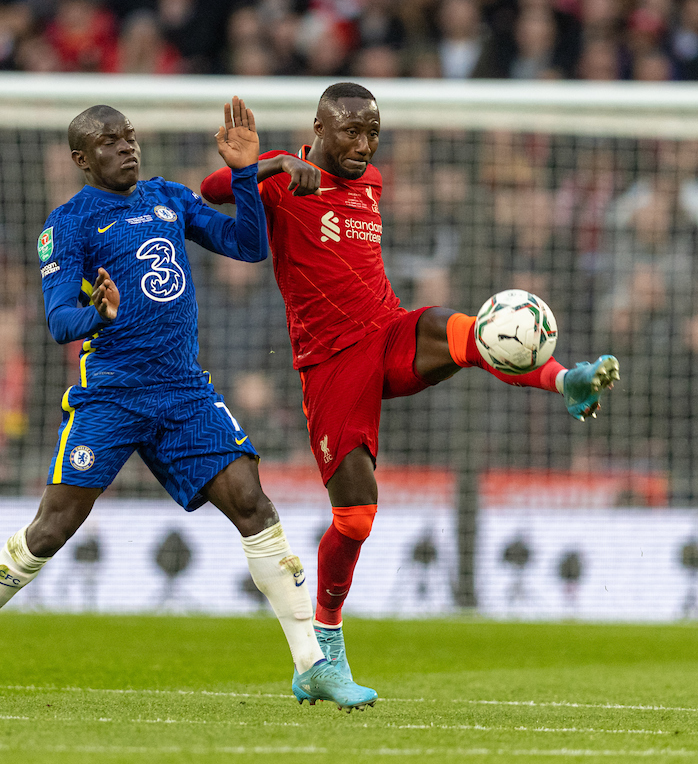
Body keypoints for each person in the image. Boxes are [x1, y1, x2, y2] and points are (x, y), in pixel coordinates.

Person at [0, 98, 378, 711]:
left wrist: (246, 173)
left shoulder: (168, 196)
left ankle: (311, 665)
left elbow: (247, 245)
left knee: (254, 505)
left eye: (130, 136)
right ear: (82, 159)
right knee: (54, 527)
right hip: (112, 393)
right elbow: (57, 320)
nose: (127, 146)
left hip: (184, 391)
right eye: (110, 141)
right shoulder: (69, 224)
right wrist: (96, 314)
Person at [200, 82, 619, 693]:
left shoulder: (368, 183)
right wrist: (265, 164)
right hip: (332, 364)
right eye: (350, 131)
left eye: (372, 132)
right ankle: (326, 646)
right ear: (319, 127)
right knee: (356, 518)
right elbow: (213, 191)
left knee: (468, 333)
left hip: (390, 332)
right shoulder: (285, 182)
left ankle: (565, 379)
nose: (364, 144)